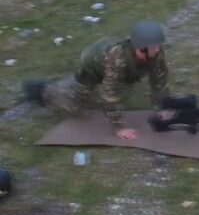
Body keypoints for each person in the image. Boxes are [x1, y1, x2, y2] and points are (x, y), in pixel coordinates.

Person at [22, 21, 171, 140]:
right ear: (140, 48)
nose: (157, 50)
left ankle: (73, 85)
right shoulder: (117, 59)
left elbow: (160, 81)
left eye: (158, 47)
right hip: (92, 66)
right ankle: (42, 90)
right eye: (153, 48)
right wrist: (119, 127)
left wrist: (161, 108)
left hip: (115, 68)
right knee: (76, 106)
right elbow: (109, 94)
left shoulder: (155, 53)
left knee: (123, 91)